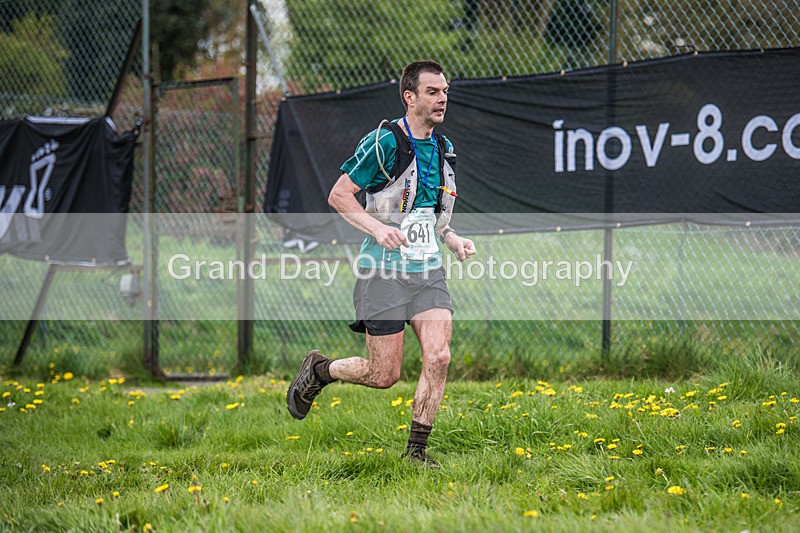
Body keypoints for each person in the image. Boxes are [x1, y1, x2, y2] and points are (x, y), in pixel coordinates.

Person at [286, 60, 476, 467]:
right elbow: (339, 195)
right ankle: (320, 371)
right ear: (410, 97)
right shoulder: (385, 142)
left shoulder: (444, 148)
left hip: (427, 272)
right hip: (383, 272)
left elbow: (431, 214)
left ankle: (416, 452)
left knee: (439, 357)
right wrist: (376, 229)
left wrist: (451, 237)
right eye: (432, 92)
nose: (442, 98)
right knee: (383, 374)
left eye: (445, 91)